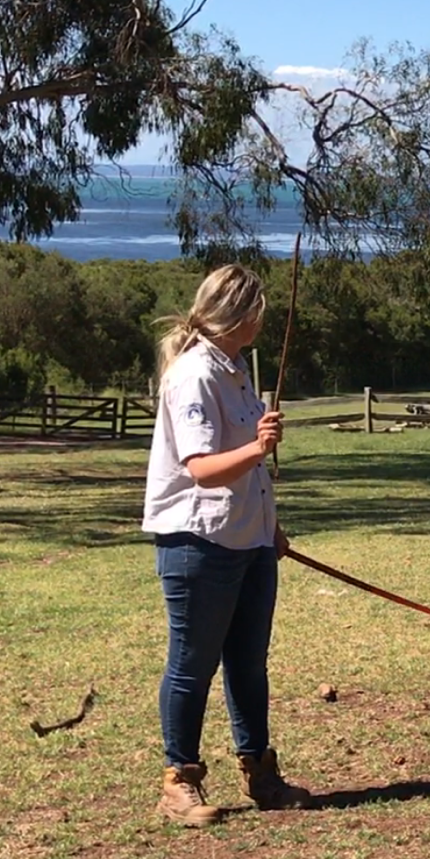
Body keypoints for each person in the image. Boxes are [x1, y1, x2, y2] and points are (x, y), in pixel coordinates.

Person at [141, 264, 310, 826]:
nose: (264, 318)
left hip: (251, 541)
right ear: (239, 313)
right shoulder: (194, 375)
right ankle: (179, 781)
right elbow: (203, 469)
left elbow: (244, 472)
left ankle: (260, 772)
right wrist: (259, 447)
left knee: (248, 664)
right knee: (192, 665)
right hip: (199, 541)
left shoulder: (236, 368)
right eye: (258, 308)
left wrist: (271, 527)